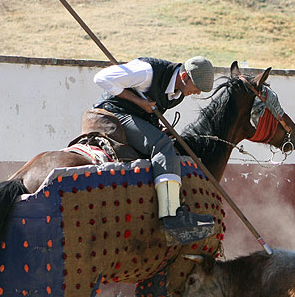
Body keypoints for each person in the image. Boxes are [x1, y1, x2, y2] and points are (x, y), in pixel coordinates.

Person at [91, 56, 216, 243]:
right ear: (184, 76)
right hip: (111, 114)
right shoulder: (147, 72)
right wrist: (138, 101)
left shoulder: (178, 92)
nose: (197, 92)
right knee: (162, 145)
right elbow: (101, 78)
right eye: (196, 86)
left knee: (166, 140)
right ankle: (171, 216)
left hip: (131, 116)